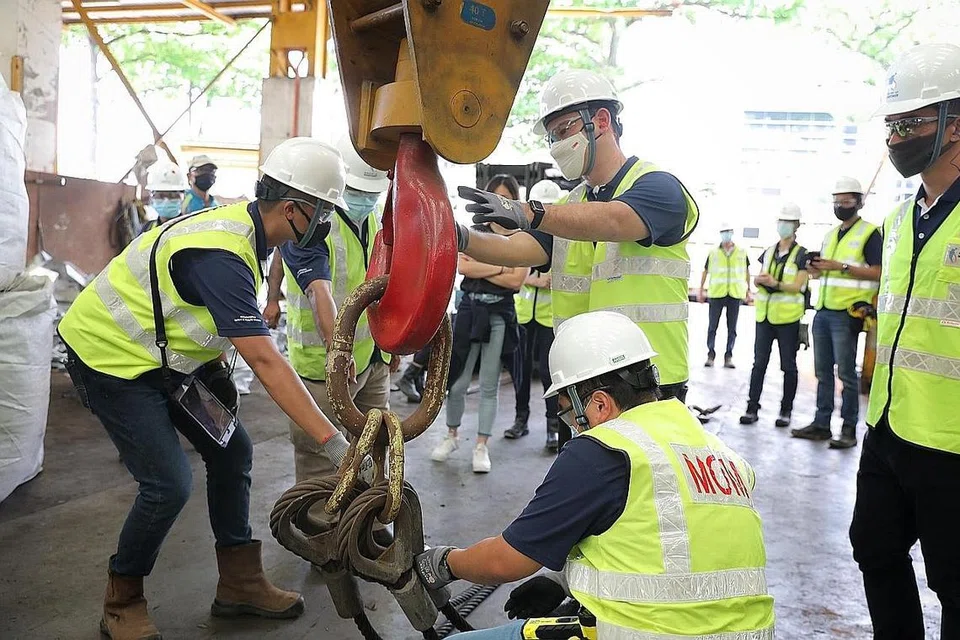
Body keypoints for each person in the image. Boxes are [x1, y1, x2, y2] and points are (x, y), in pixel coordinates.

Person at [57, 137, 357, 639]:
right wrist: (333, 442)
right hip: (109, 359)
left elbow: (198, 313)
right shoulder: (222, 253)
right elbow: (265, 359)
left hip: (166, 361)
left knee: (233, 451)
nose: (325, 223)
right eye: (323, 211)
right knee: (168, 483)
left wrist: (212, 367)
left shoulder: (251, 233)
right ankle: (122, 597)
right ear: (292, 209)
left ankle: (239, 584)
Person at [414, 311, 774, 639]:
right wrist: (561, 582)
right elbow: (665, 546)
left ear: (599, 404)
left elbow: (505, 560)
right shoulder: (720, 453)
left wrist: (444, 563)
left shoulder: (603, 451)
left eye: (568, 412)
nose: (570, 425)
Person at [452, 69, 700, 416]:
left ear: (600, 121)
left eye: (563, 130)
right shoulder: (571, 206)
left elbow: (615, 220)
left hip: (652, 384)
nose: (556, 145)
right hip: (589, 382)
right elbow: (514, 248)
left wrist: (529, 211)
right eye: (550, 137)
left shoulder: (659, 187)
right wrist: (457, 237)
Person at [850, 42, 960, 639]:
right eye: (891, 124)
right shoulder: (898, 219)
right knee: (873, 547)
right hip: (889, 425)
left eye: (910, 123)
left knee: (953, 581)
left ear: (956, 125)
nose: (896, 137)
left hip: (953, 439)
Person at [263, 134, 395, 483]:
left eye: (372, 193)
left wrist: (390, 344)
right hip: (324, 368)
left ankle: (370, 532)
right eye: (357, 191)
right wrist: (340, 349)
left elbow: (381, 284)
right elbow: (319, 290)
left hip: (370, 360)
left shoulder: (374, 221)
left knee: (374, 453)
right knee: (322, 467)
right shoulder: (309, 226)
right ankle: (320, 536)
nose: (365, 199)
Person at [432, 174, 527, 473]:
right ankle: (452, 435)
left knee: (488, 384)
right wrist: (501, 265)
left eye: (505, 199)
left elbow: (516, 280)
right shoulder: (475, 231)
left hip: (499, 317)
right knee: (457, 381)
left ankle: (481, 446)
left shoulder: (522, 236)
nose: (500, 205)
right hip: (470, 312)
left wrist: (482, 268)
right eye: (494, 199)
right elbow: (462, 265)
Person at [791, 176, 881, 448]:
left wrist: (840, 267)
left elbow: (879, 271)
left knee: (846, 373)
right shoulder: (830, 234)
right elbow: (828, 272)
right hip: (824, 310)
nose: (841, 205)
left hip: (847, 313)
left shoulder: (869, 233)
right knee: (823, 372)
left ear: (858, 202)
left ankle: (849, 429)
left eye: (846, 200)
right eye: (837, 201)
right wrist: (816, 269)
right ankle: (821, 424)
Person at [506, 179, 566, 451]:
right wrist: (534, 281)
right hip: (523, 316)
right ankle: (521, 419)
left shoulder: (565, 237)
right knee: (519, 372)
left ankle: (553, 427)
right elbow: (513, 269)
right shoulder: (524, 234)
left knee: (548, 373)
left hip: (548, 318)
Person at [740, 204, 808, 427]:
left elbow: (798, 286)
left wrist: (775, 283)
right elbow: (760, 276)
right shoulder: (769, 251)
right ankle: (752, 408)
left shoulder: (802, 255)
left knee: (788, 366)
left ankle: (785, 411)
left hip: (788, 319)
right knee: (759, 363)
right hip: (765, 316)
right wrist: (759, 281)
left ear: (796, 226)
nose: (783, 226)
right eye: (781, 222)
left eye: (787, 222)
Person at [698, 221, 751, 368]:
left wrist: (748, 289)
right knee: (712, 326)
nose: (726, 234)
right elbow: (705, 271)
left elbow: (746, 271)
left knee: (732, 328)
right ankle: (711, 354)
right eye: (723, 232)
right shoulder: (713, 252)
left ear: (732, 233)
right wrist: (701, 289)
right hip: (717, 293)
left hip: (734, 293)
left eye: (728, 231)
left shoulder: (742, 252)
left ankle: (728, 356)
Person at [142, 161, 186, 231]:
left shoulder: (190, 227)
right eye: (161, 195)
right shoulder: (148, 228)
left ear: (183, 197)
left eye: (172, 195)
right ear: (152, 197)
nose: (166, 200)